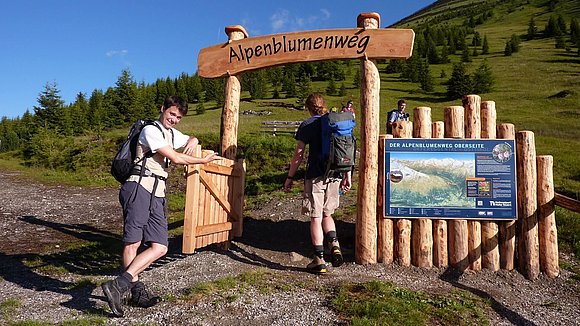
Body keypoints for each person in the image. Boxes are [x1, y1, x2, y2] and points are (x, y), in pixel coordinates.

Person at [101, 96, 218, 317]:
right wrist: (202, 161)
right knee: (133, 242)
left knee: (161, 247)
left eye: (178, 117)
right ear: (163, 109)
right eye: (171, 114)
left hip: (158, 192)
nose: (173, 119)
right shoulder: (150, 131)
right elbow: (174, 158)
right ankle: (135, 291)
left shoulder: (172, 134)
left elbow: (187, 139)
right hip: (139, 187)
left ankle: (119, 285)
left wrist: (193, 139)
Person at [283, 93, 351, 274]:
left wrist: (290, 177)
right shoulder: (335, 123)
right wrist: (347, 176)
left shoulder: (307, 125)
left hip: (315, 176)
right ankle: (335, 246)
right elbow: (346, 150)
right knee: (328, 214)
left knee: (316, 216)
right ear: (324, 106)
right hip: (335, 174)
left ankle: (319, 260)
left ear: (309, 107)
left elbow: (298, 155)